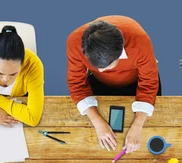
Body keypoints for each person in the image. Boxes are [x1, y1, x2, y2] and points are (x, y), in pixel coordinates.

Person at [67, 16, 160, 153]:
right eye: (95, 66)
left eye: (106, 66)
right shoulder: (74, 41)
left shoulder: (140, 40)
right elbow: (76, 84)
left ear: (119, 52)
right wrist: (98, 122)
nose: (100, 70)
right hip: (100, 84)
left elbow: (149, 83)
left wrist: (137, 125)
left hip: (139, 83)